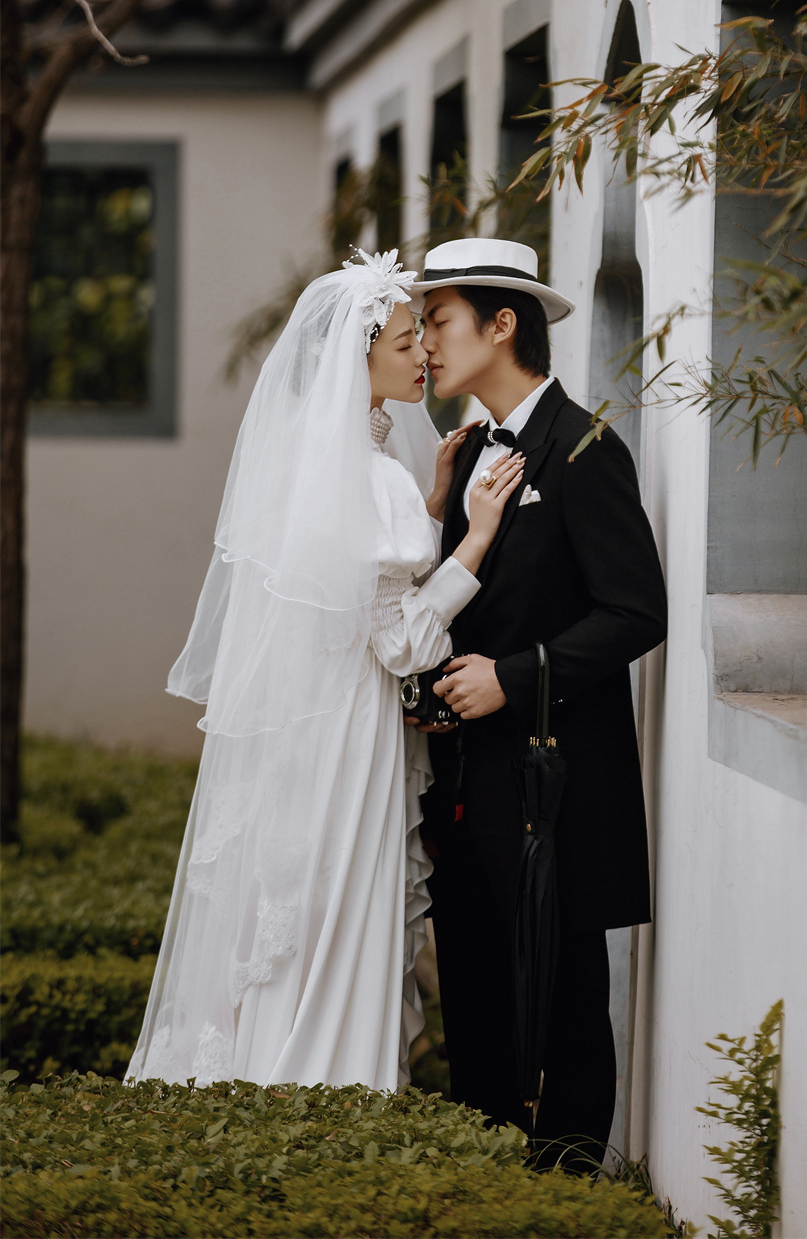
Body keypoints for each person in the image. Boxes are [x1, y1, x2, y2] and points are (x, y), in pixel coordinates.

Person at [125, 249, 524, 1090]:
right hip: (351, 736)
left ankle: (267, 1078)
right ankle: (324, 1080)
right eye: (407, 341)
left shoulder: (316, 474)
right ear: (358, 357)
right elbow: (404, 643)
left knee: (292, 911)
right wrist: (476, 538)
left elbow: (355, 587)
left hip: (305, 728)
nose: (424, 356)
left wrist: (431, 502)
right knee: (338, 911)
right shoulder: (372, 480)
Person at [411, 237, 669, 1172]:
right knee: (474, 990)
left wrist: (512, 678)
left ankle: (566, 1187)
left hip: (555, 783)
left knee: (563, 999)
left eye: (438, 321)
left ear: (501, 324)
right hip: (465, 781)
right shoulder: (470, 452)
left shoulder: (585, 447)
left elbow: (637, 612)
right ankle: (486, 1183)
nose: (425, 343)